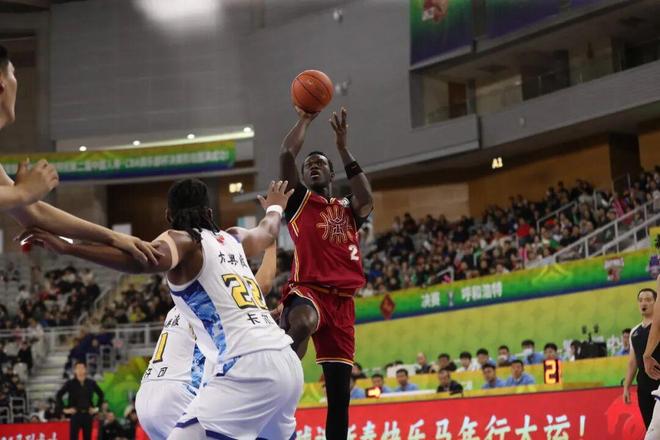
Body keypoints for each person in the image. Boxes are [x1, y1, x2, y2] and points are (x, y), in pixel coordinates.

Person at [24, 179, 304, 440]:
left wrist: (70, 249)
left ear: (169, 216)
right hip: (286, 361)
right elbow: (267, 231)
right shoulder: (233, 237)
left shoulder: (184, 241)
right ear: (209, 212)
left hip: (245, 366)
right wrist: (275, 207)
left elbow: (140, 260)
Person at [278, 105, 373, 440]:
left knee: (339, 396)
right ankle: (274, 376)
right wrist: (305, 119)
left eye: (320, 163)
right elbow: (286, 153)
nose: (313, 166)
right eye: (309, 165)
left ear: (332, 174)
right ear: (304, 177)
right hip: (308, 291)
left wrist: (343, 148)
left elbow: (367, 197)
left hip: (343, 303)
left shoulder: (348, 208)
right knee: (303, 323)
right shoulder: (299, 202)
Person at [135, 244, 277, 440]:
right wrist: (270, 244)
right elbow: (263, 285)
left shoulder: (179, 303)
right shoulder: (212, 294)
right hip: (180, 392)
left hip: (147, 394)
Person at [622, 286, 660, 431]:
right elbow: (633, 362)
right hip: (644, 387)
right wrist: (626, 386)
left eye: (648, 300)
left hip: (659, 382)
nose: (644, 303)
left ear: (656, 302)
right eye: (641, 300)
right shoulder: (634, 332)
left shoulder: (658, 326)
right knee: (650, 429)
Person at [56, 361, 104, 440]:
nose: (80, 370)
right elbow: (59, 395)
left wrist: (96, 408)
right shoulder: (70, 383)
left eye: (82, 368)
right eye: (78, 368)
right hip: (75, 415)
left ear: (85, 370)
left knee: (87, 437)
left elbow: (101, 394)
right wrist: (64, 409)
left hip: (88, 414)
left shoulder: (91, 383)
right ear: (75, 370)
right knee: (73, 438)